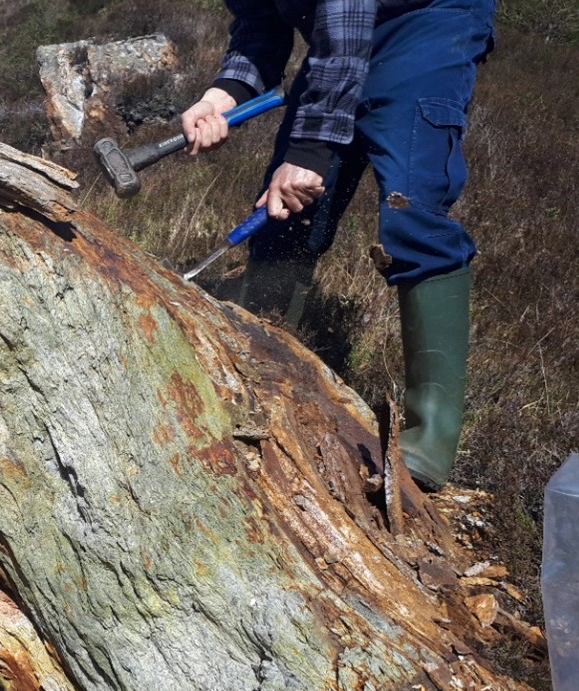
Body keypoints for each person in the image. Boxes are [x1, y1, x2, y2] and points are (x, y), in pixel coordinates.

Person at [181, 0, 496, 491]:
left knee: (410, 206)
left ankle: (429, 435)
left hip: (429, 19)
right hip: (339, 34)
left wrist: (309, 152)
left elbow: (345, 13)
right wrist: (222, 94)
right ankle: (259, 370)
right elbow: (259, 24)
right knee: (284, 210)